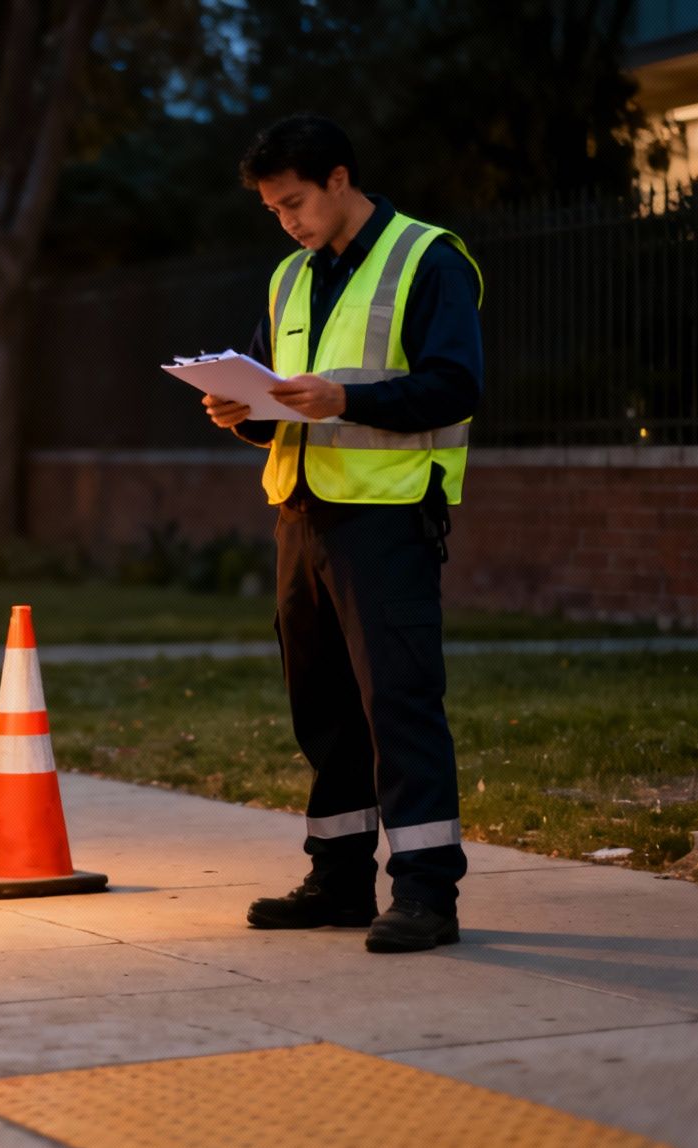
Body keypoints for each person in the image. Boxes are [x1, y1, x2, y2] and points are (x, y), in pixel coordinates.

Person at [201, 113, 482, 953]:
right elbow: (278, 392)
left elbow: (454, 386)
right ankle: (339, 877)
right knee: (321, 704)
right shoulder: (291, 277)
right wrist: (239, 411)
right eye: (273, 211)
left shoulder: (429, 259)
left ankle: (428, 893)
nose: (287, 221)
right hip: (302, 512)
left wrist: (349, 400)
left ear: (338, 178)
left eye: (295, 202)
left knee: (398, 701)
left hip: (387, 516)